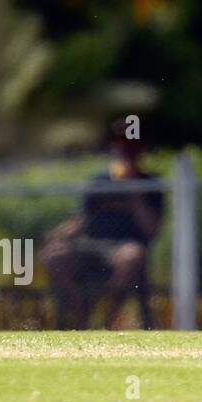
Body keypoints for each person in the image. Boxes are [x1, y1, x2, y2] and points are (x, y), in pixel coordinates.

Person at [41, 121, 164, 329]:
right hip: (91, 246)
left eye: (133, 145)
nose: (127, 151)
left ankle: (106, 322)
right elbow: (82, 219)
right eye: (122, 145)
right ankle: (82, 319)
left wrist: (134, 191)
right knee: (54, 256)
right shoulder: (100, 180)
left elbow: (151, 230)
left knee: (132, 256)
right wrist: (59, 234)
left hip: (123, 247)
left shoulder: (150, 182)